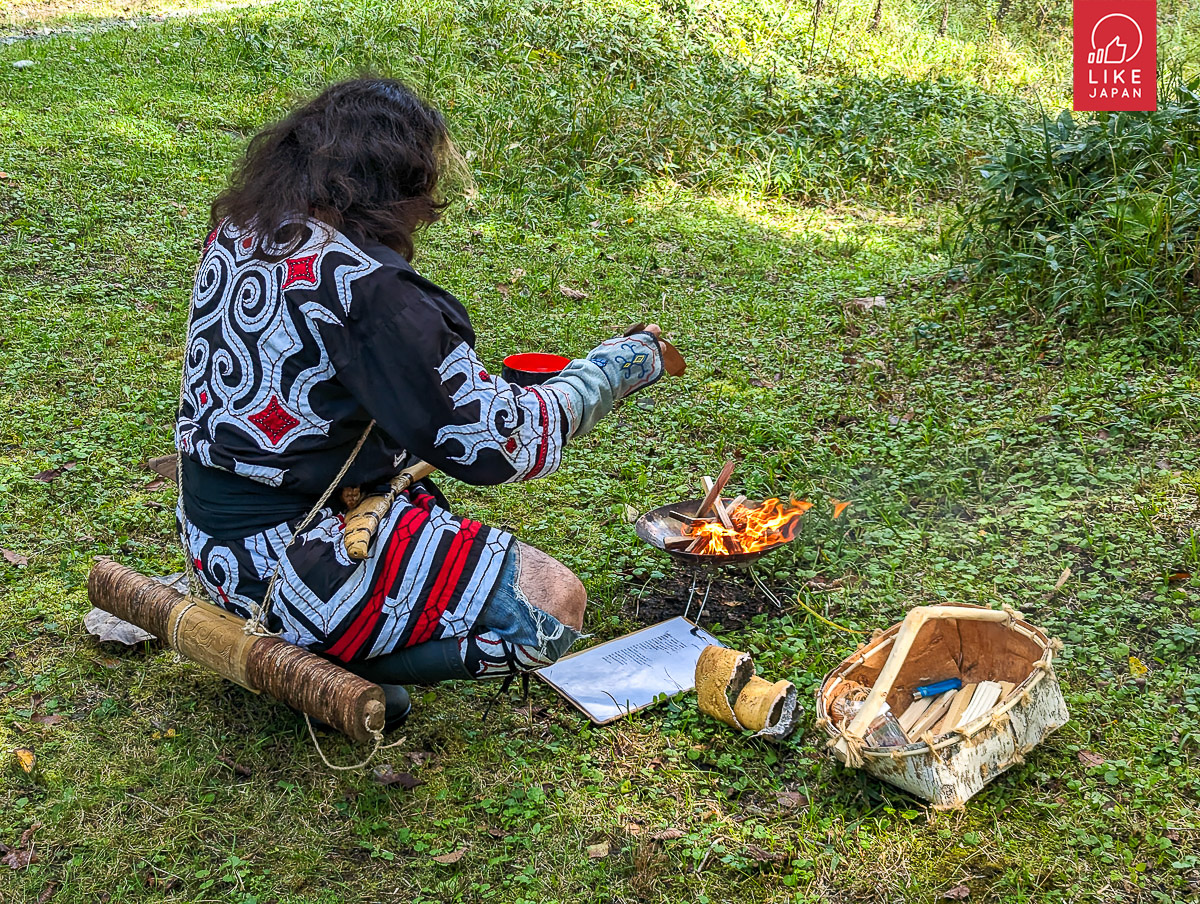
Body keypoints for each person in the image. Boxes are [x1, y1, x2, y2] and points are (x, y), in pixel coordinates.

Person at [174, 77, 671, 728]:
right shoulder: (368, 291)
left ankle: (338, 639)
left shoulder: (249, 226)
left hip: (212, 547)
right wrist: (617, 367)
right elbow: (505, 442)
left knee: (437, 518)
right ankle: (339, 665)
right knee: (552, 607)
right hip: (286, 564)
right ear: (396, 190)